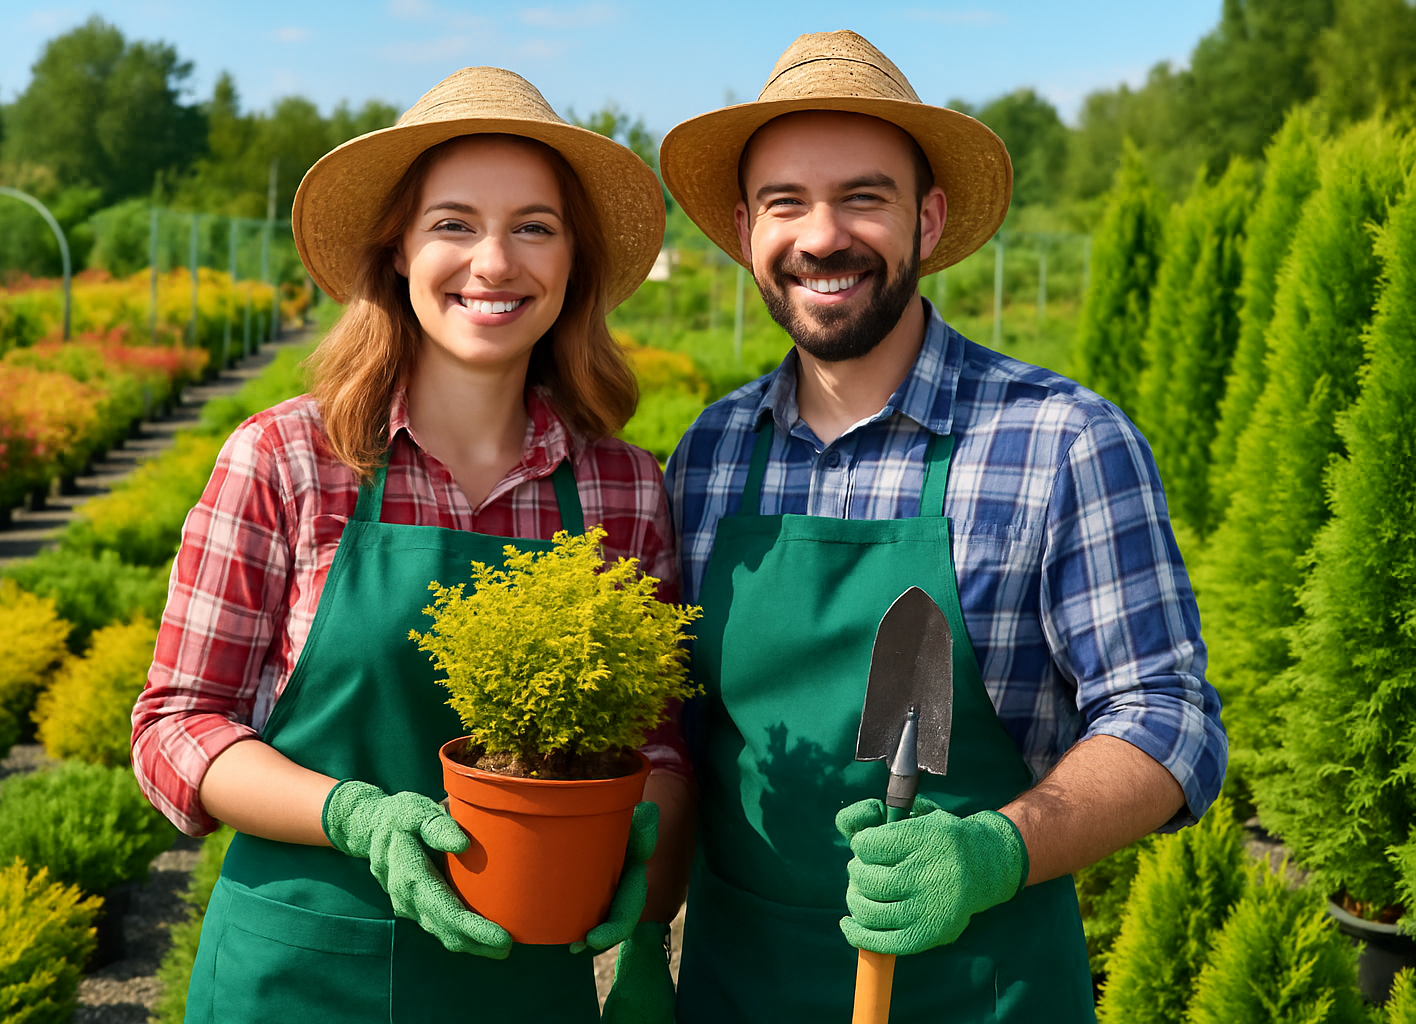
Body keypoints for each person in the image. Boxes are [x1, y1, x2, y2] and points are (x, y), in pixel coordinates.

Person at [652, 30, 1228, 1023]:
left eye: (864, 198)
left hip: (983, 991)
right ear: (746, 227)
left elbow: (1169, 719)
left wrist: (996, 849)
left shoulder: (1060, 443)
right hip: (735, 991)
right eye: (786, 203)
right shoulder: (708, 457)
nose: (821, 236)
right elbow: (681, 739)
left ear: (928, 215)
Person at [130, 66, 694, 1023]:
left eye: (534, 226)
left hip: (522, 977)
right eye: (454, 223)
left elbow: (660, 745)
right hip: (298, 969)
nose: (494, 261)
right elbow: (178, 727)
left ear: (572, 260)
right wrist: (355, 816)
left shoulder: (620, 489)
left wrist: (648, 878)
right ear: (397, 249)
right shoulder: (289, 459)